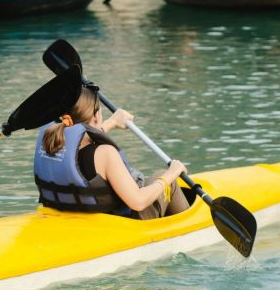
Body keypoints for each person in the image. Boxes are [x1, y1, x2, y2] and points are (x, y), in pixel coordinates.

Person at [34, 86, 190, 219]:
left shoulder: (51, 142)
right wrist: (172, 173)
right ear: (96, 116)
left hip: (74, 218)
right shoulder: (105, 154)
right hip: (123, 224)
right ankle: (189, 229)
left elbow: (83, 138)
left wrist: (112, 122)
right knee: (166, 178)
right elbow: (138, 201)